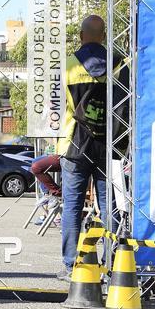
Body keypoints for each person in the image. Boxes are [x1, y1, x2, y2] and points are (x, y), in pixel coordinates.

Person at [57, 15, 123, 280]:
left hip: (74, 143)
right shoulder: (119, 64)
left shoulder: (68, 65)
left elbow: (60, 105)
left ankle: (71, 265)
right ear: (104, 36)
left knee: (72, 207)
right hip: (109, 145)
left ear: (81, 36)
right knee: (110, 208)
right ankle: (112, 265)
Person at [30, 154, 61, 225]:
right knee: (35, 163)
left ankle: (54, 193)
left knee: (37, 166)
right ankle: (48, 193)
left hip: (67, 156)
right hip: (57, 153)